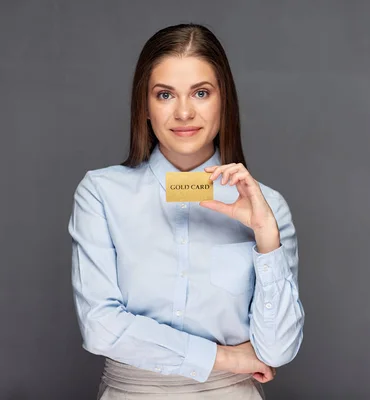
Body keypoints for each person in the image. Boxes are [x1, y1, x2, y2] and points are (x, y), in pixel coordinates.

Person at [68, 23, 305, 399]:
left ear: (223, 100)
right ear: (144, 106)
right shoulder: (102, 193)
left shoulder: (267, 205)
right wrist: (226, 358)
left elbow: (277, 350)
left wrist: (266, 236)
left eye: (200, 92)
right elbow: (100, 328)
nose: (183, 112)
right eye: (164, 94)